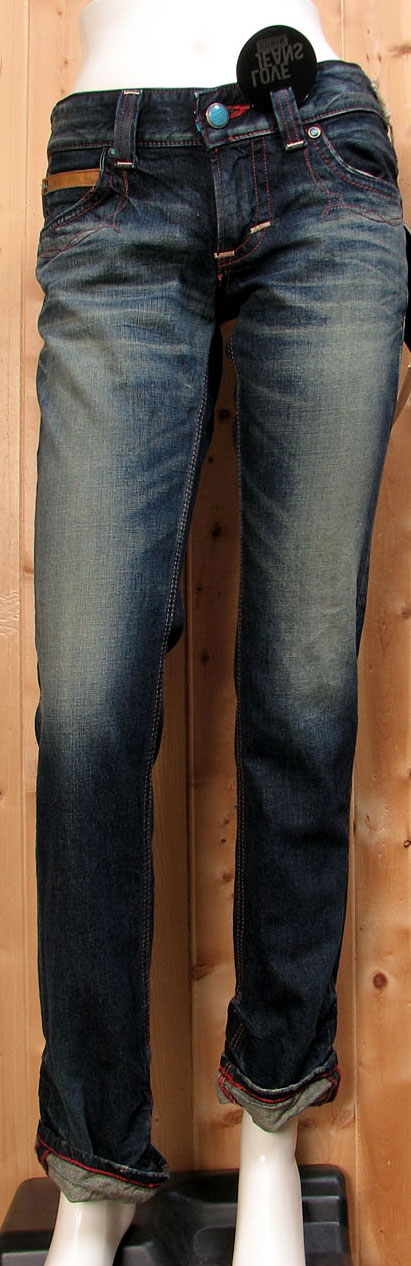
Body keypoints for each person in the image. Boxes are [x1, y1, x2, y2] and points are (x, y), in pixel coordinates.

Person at [33, 1, 408, 1262]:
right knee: (88, 716)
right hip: (115, 172)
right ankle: (93, 1171)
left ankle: (271, 1134)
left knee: (304, 693)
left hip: (324, 163)